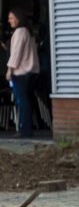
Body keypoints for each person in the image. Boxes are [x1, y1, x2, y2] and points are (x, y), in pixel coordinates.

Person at [5, 9, 40, 138]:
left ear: (18, 18)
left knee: (22, 101)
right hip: (30, 72)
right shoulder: (28, 32)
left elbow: (16, 54)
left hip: (21, 73)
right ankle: (27, 129)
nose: (9, 21)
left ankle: (25, 130)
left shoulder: (20, 32)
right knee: (26, 100)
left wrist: (9, 70)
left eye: (11, 18)